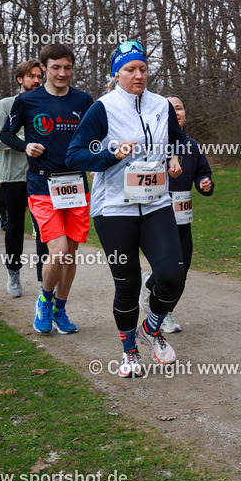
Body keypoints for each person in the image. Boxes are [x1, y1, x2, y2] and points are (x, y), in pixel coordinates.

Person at [67, 41, 188, 377]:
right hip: (114, 208)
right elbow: (74, 155)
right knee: (128, 284)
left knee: (173, 276)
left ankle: (150, 329)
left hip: (155, 202)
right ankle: (129, 352)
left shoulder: (161, 105)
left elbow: (176, 137)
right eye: (131, 69)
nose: (139, 75)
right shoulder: (103, 109)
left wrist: (174, 157)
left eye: (143, 69)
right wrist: (111, 155)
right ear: (116, 74)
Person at [0, 43, 94, 335]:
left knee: (71, 255)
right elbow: (5, 132)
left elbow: (98, 134)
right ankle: (45, 299)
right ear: (44, 68)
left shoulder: (84, 100)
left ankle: (60, 310)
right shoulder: (28, 101)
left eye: (67, 67)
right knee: (58, 251)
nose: (62, 72)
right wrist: (24, 145)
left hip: (76, 184)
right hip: (42, 185)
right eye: (56, 67)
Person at [138, 95, 214, 333]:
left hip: (182, 218)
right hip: (156, 218)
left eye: (179, 108)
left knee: (183, 268)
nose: (175, 112)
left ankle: (159, 300)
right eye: (169, 109)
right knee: (167, 269)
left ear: (185, 114)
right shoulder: (151, 145)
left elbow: (203, 173)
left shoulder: (191, 146)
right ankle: (161, 313)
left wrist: (205, 182)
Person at [0, 59, 47, 297]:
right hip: (14, 178)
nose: (36, 81)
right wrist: (23, 143)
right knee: (14, 227)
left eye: (39, 77)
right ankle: (13, 271)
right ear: (20, 79)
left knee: (44, 228)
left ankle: (45, 279)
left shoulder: (47, 104)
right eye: (31, 76)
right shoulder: (6, 105)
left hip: (43, 177)